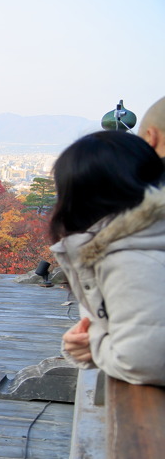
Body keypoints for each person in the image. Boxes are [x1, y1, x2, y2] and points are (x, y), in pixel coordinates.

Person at [50, 130, 165, 385]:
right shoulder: (142, 242)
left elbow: (142, 362)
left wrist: (95, 342)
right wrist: (83, 345)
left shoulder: (129, 260)